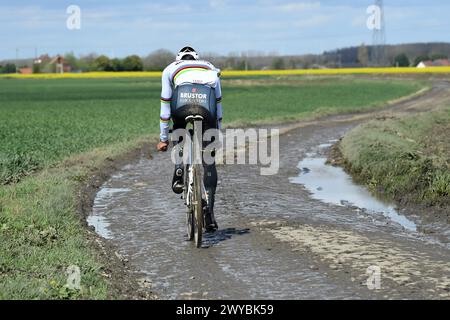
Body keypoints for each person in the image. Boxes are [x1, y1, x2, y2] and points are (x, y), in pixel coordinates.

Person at [156, 46, 223, 231]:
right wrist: (217, 133)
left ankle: (179, 168)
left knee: (179, 129)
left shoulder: (170, 68)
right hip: (206, 109)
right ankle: (209, 213)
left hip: (181, 106)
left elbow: (165, 106)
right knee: (209, 160)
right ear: (196, 59)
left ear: (179, 58)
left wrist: (163, 138)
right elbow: (218, 106)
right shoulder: (209, 67)